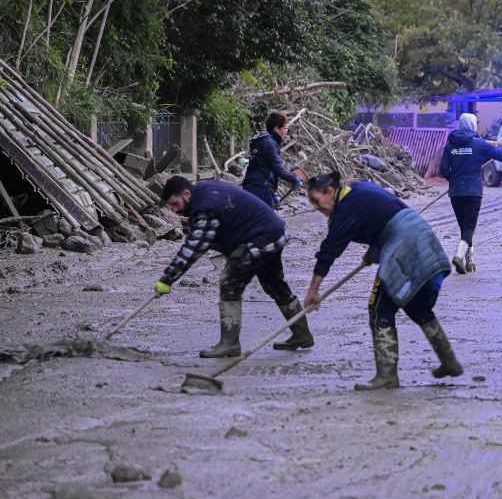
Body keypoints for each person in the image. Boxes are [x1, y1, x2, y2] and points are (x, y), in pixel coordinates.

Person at [303, 172, 462, 390]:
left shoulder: (344, 209)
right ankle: (449, 361)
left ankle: (387, 376)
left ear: (330, 192)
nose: (316, 207)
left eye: (316, 200)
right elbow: (381, 216)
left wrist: (313, 291)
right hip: (420, 234)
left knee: (379, 308)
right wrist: (374, 250)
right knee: (416, 305)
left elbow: (328, 252)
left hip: (402, 244)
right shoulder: (359, 189)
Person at [155, 176, 314, 356]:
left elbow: (195, 248)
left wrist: (168, 279)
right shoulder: (206, 189)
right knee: (275, 284)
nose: (176, 211)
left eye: (175, 204)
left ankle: (229, 344)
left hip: (258, 239)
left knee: (230, 283)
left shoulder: (205, 206)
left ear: (186, 194)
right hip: (274, 232)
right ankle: (302, 334)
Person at [439, 113, 502, 274]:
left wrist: (454, 177)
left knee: (464, 227)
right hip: (473, 192)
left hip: (456, 192)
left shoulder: (450, 145)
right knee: (469, 228)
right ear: (473, 125)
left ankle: (470, 260)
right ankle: (459, 256)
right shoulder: (480, 144)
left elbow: (443, 170)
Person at [242, 111, 303, 208]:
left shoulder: (264, 140)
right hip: (260, 188)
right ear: (276, 128)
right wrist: (294, 179)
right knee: (269, 221)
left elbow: (271, 164)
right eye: (284, 128)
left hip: (253, 185)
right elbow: (278, 168)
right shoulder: (269, 144)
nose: (286, 131)